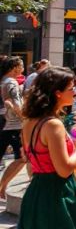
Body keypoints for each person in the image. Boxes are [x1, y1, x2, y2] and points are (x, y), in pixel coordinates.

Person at [17, 67, 76, 228]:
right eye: (72, 89)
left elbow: (30, 164)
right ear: (58, 93)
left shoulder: (28, 122)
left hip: (36, 192)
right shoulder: (53, 125)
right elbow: (64, 169)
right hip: (58, 195)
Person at [0, 56, 25, 198]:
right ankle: (2, 187)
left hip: (5, 122)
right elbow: (17, 104)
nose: (22, 68)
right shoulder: (11, 82)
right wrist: (24, 119)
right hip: (13, 124)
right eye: (21, 66)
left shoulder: (4, 81)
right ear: (14, 67)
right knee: (22, 157)